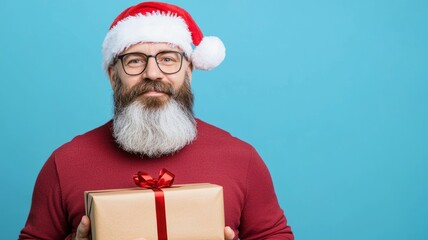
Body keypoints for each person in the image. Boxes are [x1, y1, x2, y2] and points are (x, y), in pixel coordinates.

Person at [19, 1, 294, 239]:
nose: (153, 73)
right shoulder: (65, 162)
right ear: (113, 76)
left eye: (168, 58)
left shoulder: (240, 158)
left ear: (189, 71)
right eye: (135, 61)